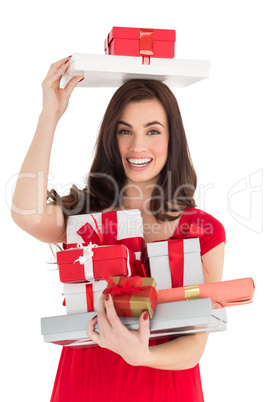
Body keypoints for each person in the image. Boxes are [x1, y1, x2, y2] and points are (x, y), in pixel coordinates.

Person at [11, 56, 225, 402]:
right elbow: (26, 213)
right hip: (85, 385)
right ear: (112, 137)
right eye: (125, 131)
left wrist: (143, 356)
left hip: (165, 389)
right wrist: (49, 115)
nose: (137, 146)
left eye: (153, 131)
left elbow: (195, 343)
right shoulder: (84, 218)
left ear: (173, 139)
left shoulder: (203, 231)